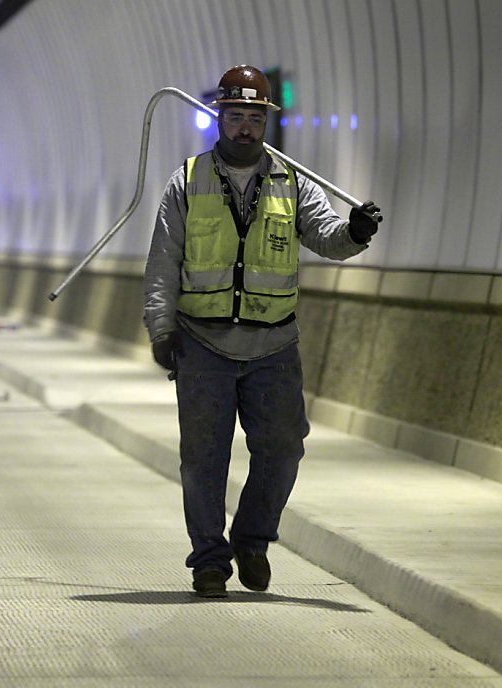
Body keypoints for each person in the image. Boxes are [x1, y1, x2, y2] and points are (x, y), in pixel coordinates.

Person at [143, 65, 381, 598]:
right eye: (235, 117)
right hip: (202, 342)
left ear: (266, 121)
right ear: (218, 118)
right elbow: (163, 264)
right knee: (203, 456)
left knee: (283, 448)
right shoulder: (186, 182)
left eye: (255, 117)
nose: (245, 128)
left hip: (273, 344)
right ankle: (209, 559)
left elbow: (327, 237)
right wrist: (161, 329)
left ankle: (251, 540)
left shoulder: (293, 183)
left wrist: (356, 232)